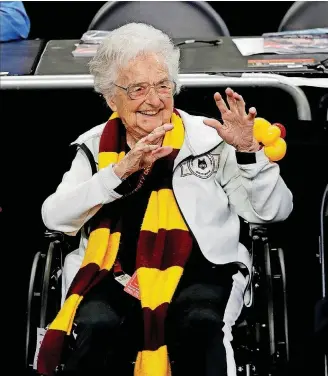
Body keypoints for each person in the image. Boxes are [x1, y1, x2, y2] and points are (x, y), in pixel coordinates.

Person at [37, 23, 293, 376]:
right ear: (112, 98)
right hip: (114, 274)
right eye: (138, 89)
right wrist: (118, 172)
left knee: (200, 324)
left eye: (163, 85)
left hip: (203, 270)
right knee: (98, 327)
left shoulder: (211, 140)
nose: (154, 100)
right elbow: (55, 217)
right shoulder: (96, 146)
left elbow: (272, 213)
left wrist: (250, 155)